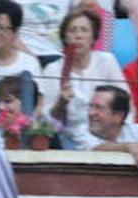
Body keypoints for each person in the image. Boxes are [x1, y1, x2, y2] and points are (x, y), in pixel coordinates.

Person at [37, 8, 129, 147]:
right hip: (72, 141)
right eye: (72, 31)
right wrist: (61, 104)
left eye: (84, 30)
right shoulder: (53, 69)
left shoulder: (107, 61)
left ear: (93, 37)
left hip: (111, 135)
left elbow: (126, 103)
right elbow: (46, 126)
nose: (78, 36)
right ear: (65, 38)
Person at [69, 83, 138, 167]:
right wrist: (129, 148)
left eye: (98, 108)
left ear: (118, 116)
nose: (91, 113)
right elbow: (96, 149)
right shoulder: (81, 131)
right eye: (91, 107)